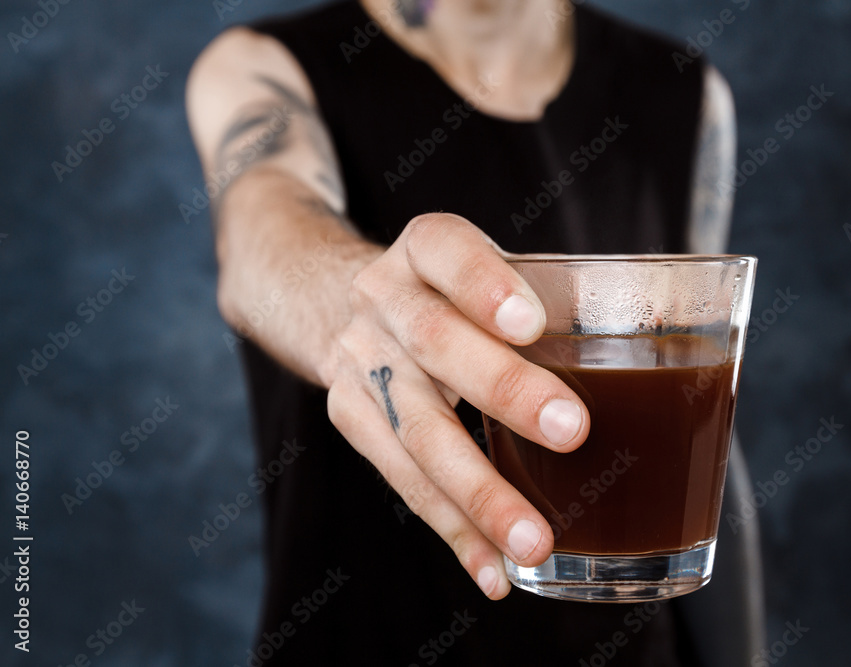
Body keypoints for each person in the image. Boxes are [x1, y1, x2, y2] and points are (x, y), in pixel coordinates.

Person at [186, 0, 764, 664]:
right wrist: (359, 305)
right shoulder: (265, 66)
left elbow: (708, 423)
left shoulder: (683, 91)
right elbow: (263, 232)